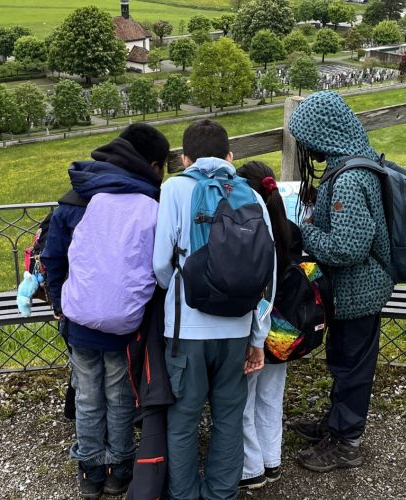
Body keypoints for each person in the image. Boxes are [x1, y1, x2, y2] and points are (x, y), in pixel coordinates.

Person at [41, 124, 170, 499]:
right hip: (126, 325)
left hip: (80, 320)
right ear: (152, 165)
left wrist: (61, 304)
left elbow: (52, 257)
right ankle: (119, 469)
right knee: (119, 395)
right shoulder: (152, 204)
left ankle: (90, 471)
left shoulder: (78, 197)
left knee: (86, 396)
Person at [152, 119, 276, 500]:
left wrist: (179, 290)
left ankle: (184, 495)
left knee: (184, 419)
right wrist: (258, 338)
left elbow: (160, 264)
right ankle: (221, 494)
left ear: (185, 159)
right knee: (229, 418)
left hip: (186, 331)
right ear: (230, 157)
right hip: (237, 328)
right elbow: (267, 274)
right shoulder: (251, 196)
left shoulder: (174, 189)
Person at [287, 91, 395, 472]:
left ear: (323, 134)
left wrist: (303, 231)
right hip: (354, 291)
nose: (305, 148)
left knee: (352, 366)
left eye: (307, 139)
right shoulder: (352, 162)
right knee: (343, 359)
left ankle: (347, 442)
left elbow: (347, 248)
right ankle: (335, 424)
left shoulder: (349, 180)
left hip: (359, 292)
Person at [234, 161, 294, 490]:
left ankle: (250, 468)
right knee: (271, 398)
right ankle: (272, 460)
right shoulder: (289, 228)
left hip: (256, 326)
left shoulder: (249, 231)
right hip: (284, 331)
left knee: (244, 399)